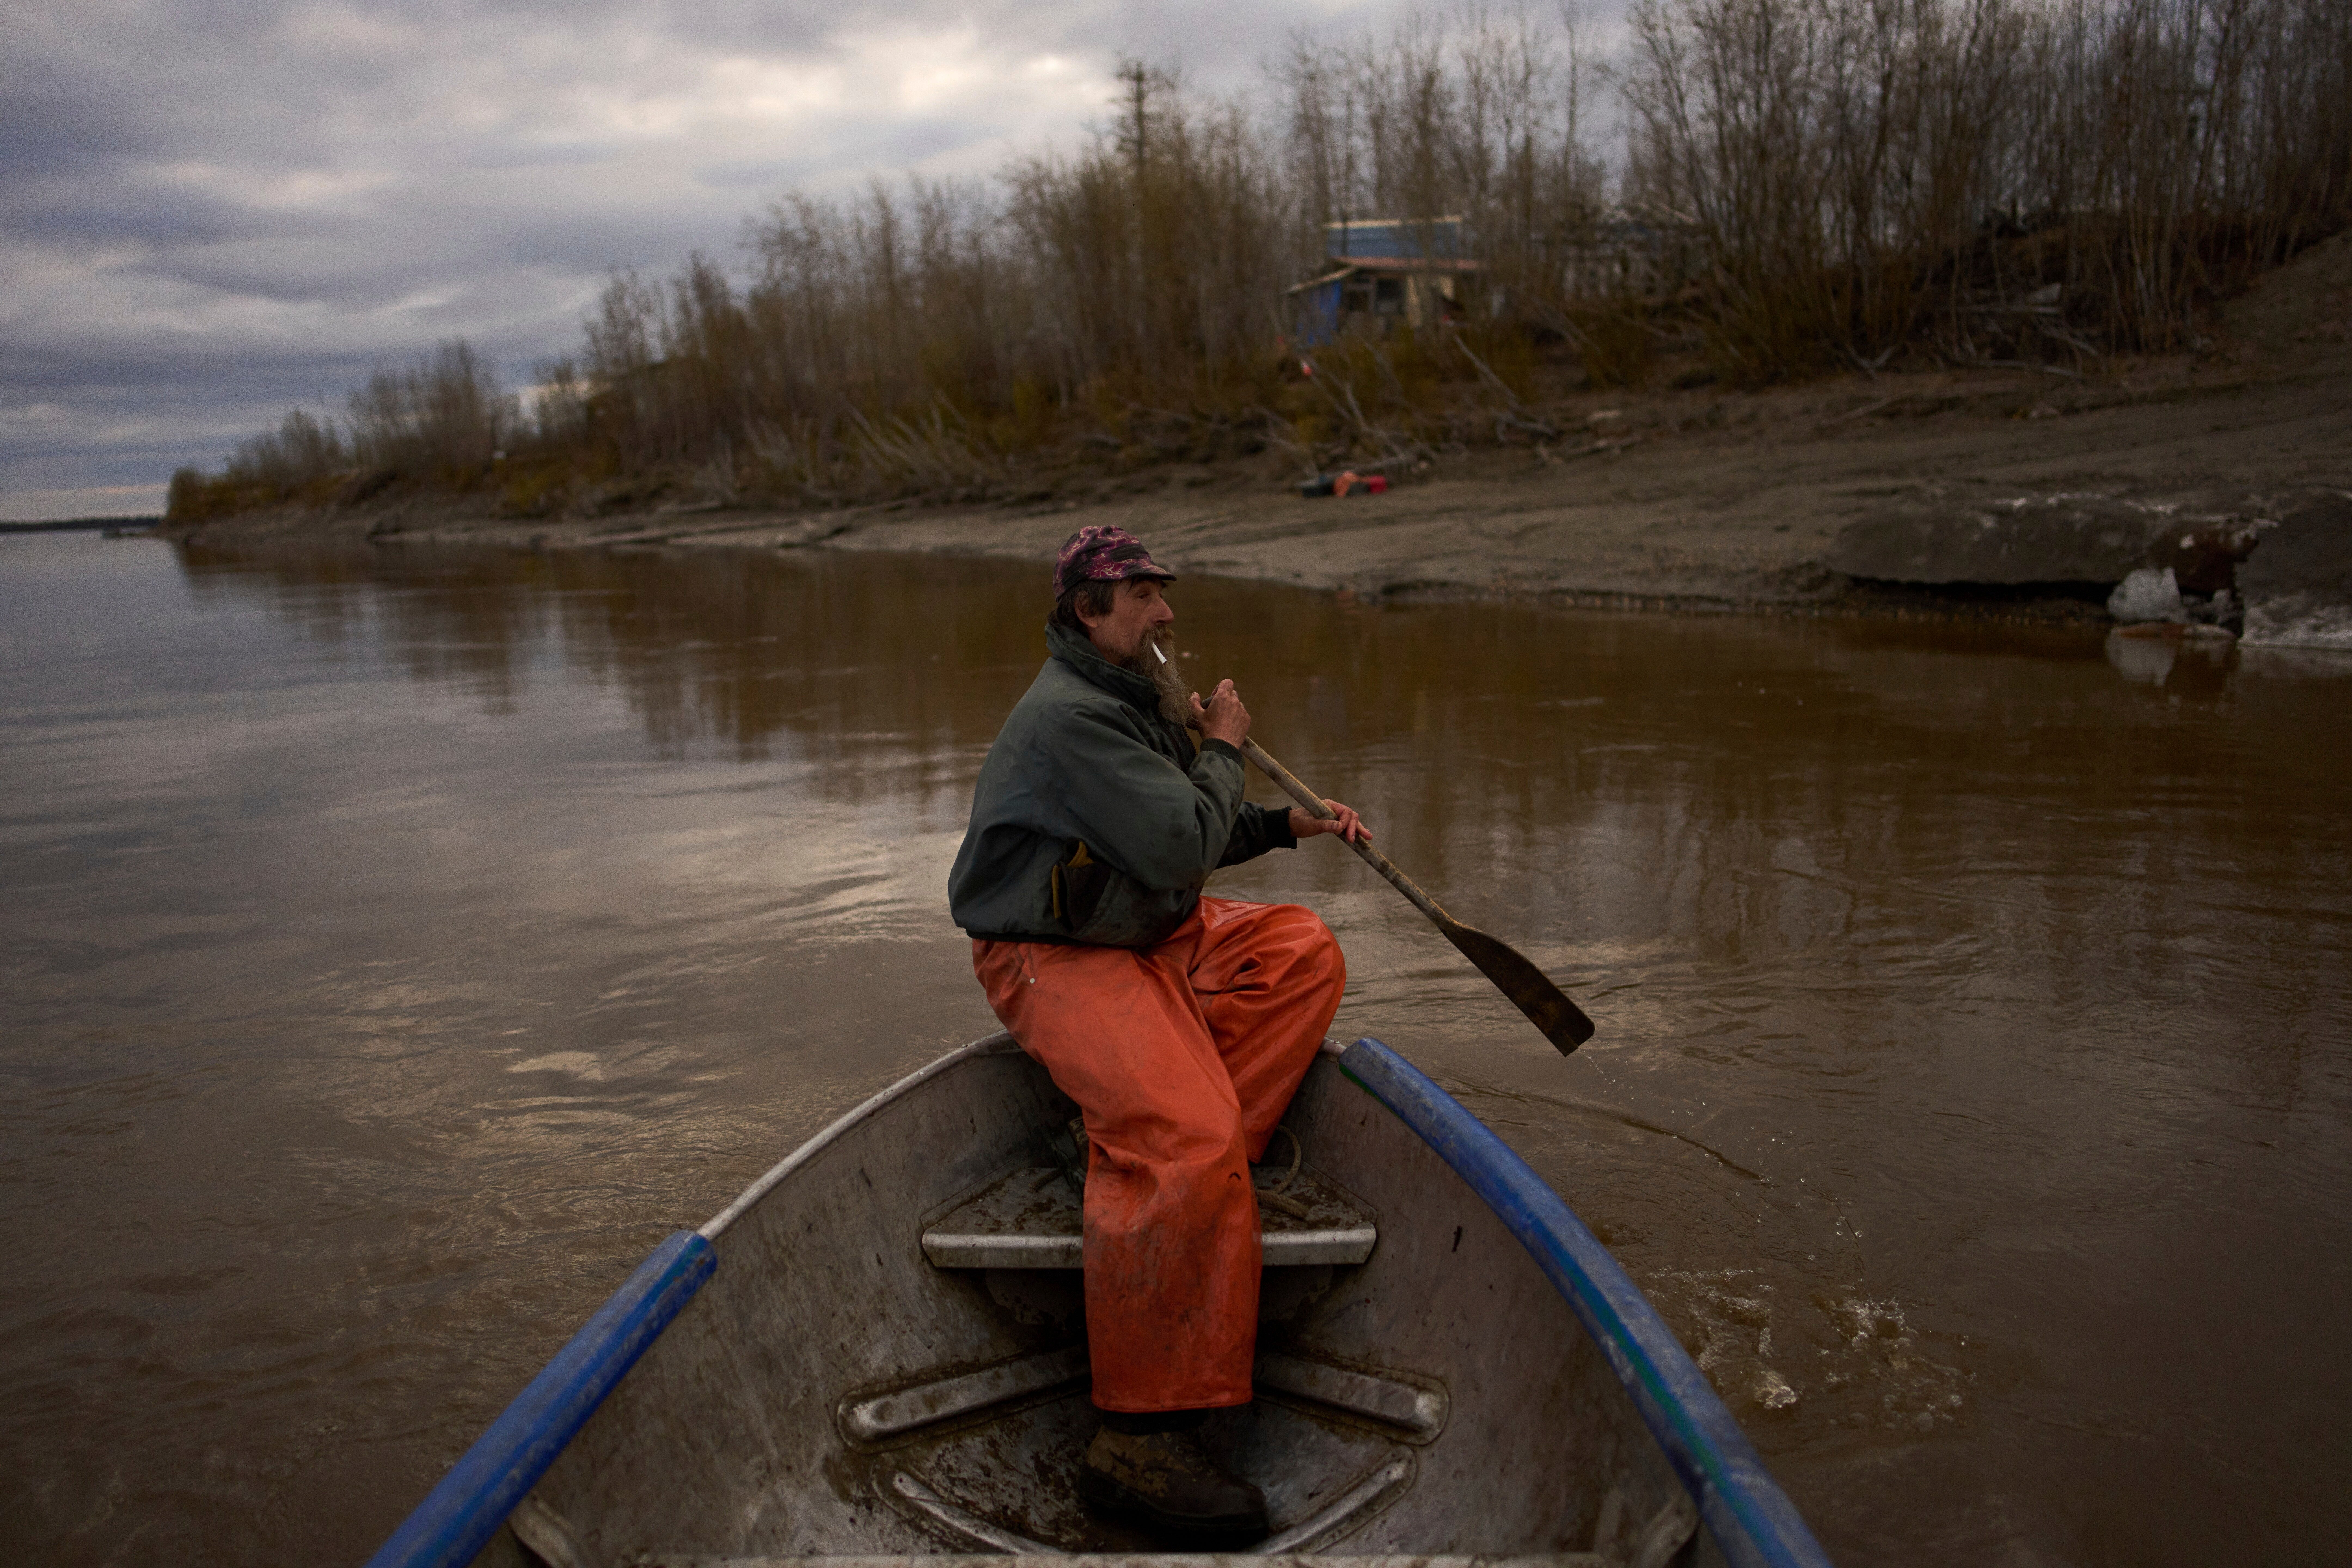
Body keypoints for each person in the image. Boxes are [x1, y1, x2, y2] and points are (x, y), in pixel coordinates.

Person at [946, 525, 1369, 1545]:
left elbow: (1193, 826)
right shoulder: (1070, 718)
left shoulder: (1131, 701)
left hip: (1139, 929)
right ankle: (1136, 1438)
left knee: (1300, 955)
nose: (1165, 611)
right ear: (1090, 613)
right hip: (1057, 952)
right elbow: (1180, 838)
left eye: (1161, 593)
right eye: (1142, 595)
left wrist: (1281, 825)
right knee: (1188, 1140)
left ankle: (1160, 1168)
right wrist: (1223, 744)